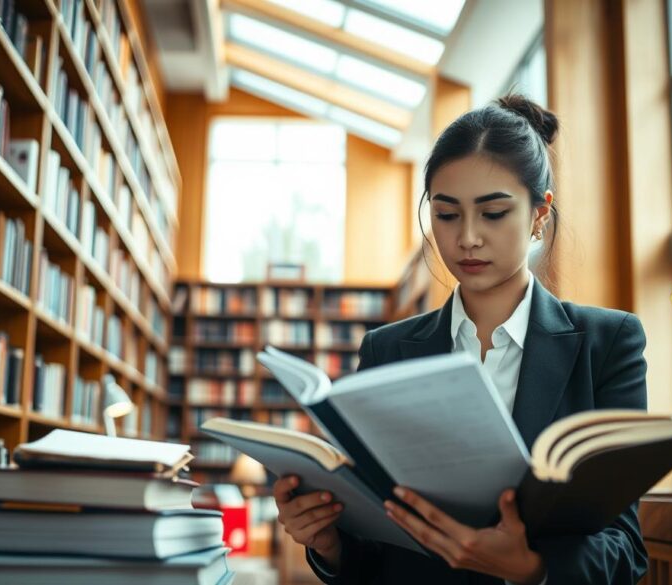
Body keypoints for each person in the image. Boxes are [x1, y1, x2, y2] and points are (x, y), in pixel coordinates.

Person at [272, 94, 649, 584]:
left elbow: (625, 549)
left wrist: (531, 570)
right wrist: (328, 545)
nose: (467, 237)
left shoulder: (608, 343)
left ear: (539, 214)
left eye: (493, 213)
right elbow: (375, 550)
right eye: (447, 215)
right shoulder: (386, 350)